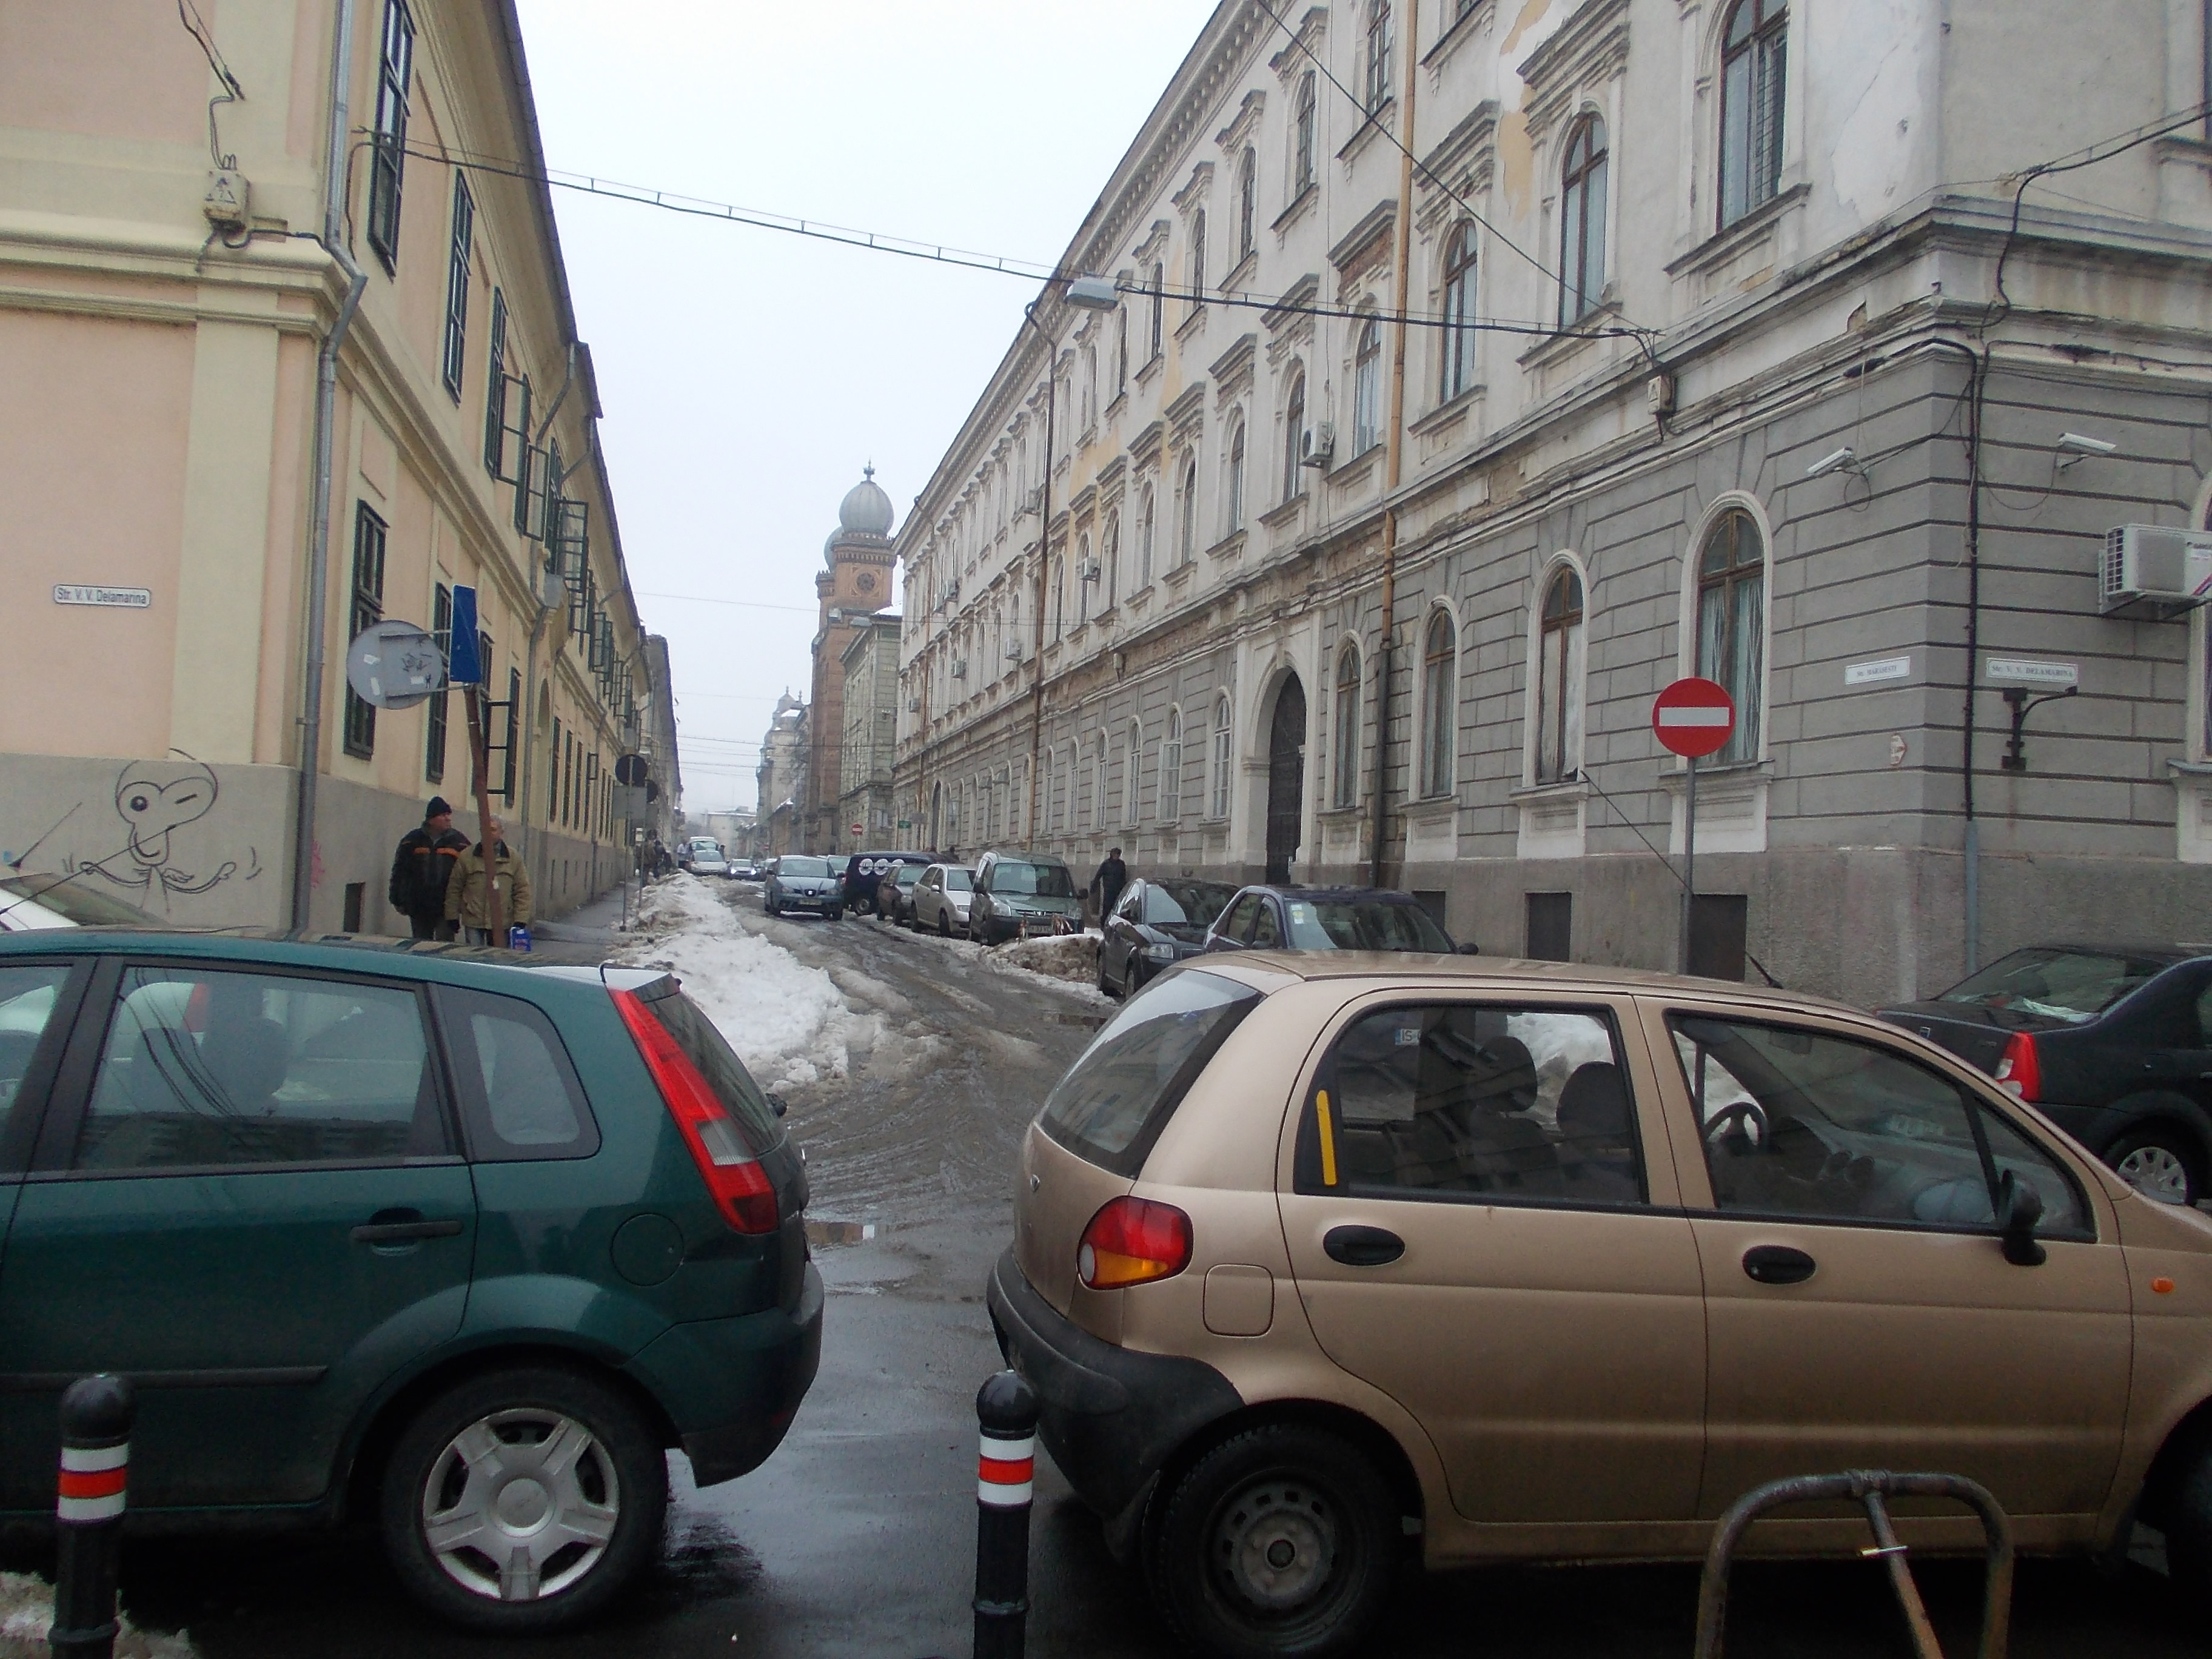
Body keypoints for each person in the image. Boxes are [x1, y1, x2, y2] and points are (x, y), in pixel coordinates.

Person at [445, 814, 534, 946]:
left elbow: (522, 891)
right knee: (474, 956)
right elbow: (454, 888)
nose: (489, 833)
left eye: (493, 830)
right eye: (485, 829)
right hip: (474, 919)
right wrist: (452, 916)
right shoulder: (467, 856)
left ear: (501, 832)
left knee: (498, 956)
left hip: (502, 921)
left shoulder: (513, 858)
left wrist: (521, 919)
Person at [388, 796, 469, 940]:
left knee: (444, 946)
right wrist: (397, 899)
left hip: (446, 907)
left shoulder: (459, 843)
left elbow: (468, 873)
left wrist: (463, 903)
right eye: (443, 815)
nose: (448, 819)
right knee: (421, 944)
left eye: (449, 815)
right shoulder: (412, 841)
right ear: (431, 819)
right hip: (418, 905)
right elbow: (400, 871)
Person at [1090, 846, 1128, 925]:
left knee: (1117, 908)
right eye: (1115, 854)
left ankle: (1114, 923)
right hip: (1108, 890)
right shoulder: (1106, 864)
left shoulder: (1121, 864)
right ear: (1112, 854)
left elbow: (1123, 877)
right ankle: (1104, 923)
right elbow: (1099, 875)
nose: (1116, 856)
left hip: (1118, 890)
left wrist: (1124, 889)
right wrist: (1094, 886)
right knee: (1107, 908)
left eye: (1118, 854)